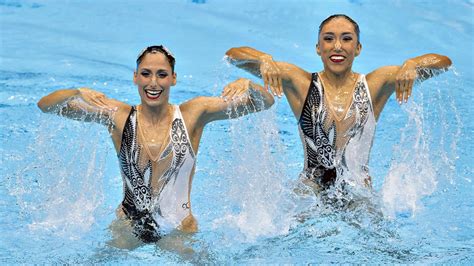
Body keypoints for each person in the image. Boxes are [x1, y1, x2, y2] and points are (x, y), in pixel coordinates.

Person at [37, 45, 274, 246]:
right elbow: (46, 106)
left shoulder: (193, 113)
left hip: (179, 228)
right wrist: (75, 92)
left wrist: (249, 85)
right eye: (146, 73)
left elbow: (264, 103)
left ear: (173, 78)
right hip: (128, 225)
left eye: (162, 74)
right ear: (135, 77)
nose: (153, 83)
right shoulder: (117, 115)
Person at [225, 14, 452, 191]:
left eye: (346, 39)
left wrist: (412, 64)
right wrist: (264, 59)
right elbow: (233, 55)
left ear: (358, 48)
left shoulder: (375, 84)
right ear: (318, 48)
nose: (337, 46)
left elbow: (444, 63)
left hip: (358, 192)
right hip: (311, 189)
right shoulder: (301, 83)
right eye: (328, 38)